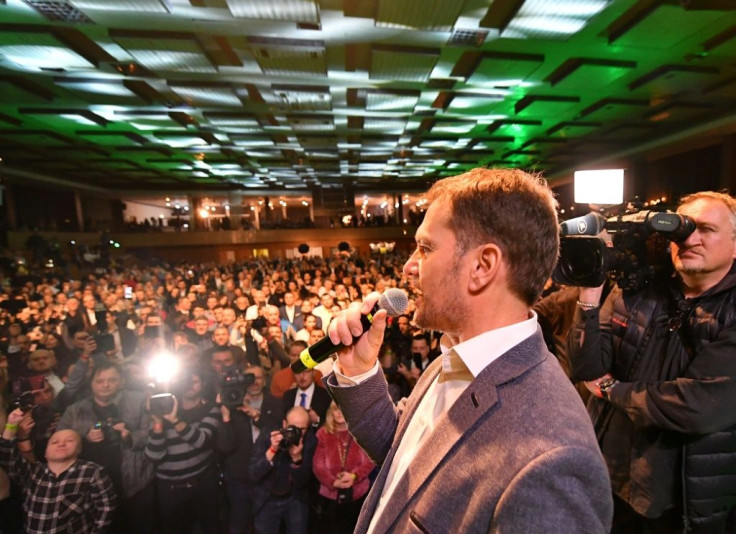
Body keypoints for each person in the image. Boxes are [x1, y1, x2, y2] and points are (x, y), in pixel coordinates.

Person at [324, 168, 613, 532]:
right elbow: (410, 461)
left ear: (482, 266)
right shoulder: (458, 353)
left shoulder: (552, 461)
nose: (408, 267)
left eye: (425, 248)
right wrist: (360, 369)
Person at [568, 191, 736, 532]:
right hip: (609, 475)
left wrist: (613, 390)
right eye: (681, 229)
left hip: (679, 498)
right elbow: (586, 369)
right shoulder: (641, 290)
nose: (689, 238)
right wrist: (590, 291)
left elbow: (699, 405)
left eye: (705, 229)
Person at [1, 413, 117, 534]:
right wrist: (11, 425)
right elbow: (8, 458)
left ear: (79, 449)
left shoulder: (92, 472)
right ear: (45, 452)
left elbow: (106, 508)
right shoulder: (34, 472)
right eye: (54, 442)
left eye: (69, 440)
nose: (61, 444)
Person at [145, 366, 222, 534]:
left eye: (193, 382)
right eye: (185, 382)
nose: (189, 386)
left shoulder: (210, 409)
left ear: (203, 384)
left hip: (203, 482)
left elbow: (201, 440)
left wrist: (174, 420)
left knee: (210, 526)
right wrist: (158, 423)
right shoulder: (163, 409)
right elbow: (154, 455)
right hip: (170, 487)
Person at [217, 364, 282, 534]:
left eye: (258, 377)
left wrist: (257, 417)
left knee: (267, 526)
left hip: (268, 476)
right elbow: (224, 447)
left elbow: (279, 435)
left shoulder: (275, 403)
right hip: (239, 477)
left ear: (265, 380)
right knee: (239, 525)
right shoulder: (231, 403)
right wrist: (226, 417)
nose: (253, 382)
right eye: (249, 377)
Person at [250, 406, 317, 534]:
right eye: (292, 427)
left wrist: (297, 459)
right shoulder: (268, 435)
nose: (296, 431)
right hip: (267, 497)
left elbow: (304, 481)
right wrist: (272, 450)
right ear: (284, 423)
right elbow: (253, 473)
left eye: (302, 429)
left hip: (295, 498)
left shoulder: (310, 441)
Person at [312, 402, 375, 534]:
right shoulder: (323, 433)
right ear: (331, 412)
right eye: (336, 409)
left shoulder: (361, 432)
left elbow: (371, 460)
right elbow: (318, 466)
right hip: (330, 500)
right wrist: (334, 482)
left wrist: (354, 476)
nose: (339, 413)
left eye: (342, 409)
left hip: (358, 495)